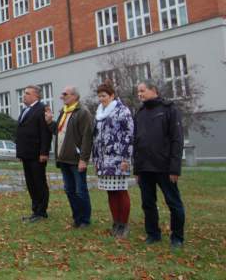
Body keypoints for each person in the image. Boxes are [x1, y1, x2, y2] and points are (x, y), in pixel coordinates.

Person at [134, 80, 185, 248]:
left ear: (153, 90)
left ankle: (177, 237)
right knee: (147, 203)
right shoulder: (140, 113)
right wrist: (137, 169)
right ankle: (153, 234)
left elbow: (177, 140)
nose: (139, 94)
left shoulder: (169, 109)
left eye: (142, 90)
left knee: (173, 203)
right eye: (138, 91)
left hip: (165, 167)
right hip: (144, 167)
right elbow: (137, 142)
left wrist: (175, 168)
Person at [45, 86, 93, 228]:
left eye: (65, 94)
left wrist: (83, 159)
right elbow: (59, 131)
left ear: (74, 96)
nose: (62, 96)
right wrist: (50, 122)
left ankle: (85, 220)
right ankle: (77, 219)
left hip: (76, 159)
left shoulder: (82, 112)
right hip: (64, 158)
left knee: (80, 190)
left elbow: (87, 137)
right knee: (69, 190)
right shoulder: (64, 111)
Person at [92, 80, 134, 238]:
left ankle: (124, 224)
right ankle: (116, 223)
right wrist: (96, 160)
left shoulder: (122, 111)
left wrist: (126, 159)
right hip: (103, 160)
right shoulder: (99, 113)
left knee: (121, 191)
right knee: (110, 192)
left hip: (118, 159)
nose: (101, 99)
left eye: (104, 96)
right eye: (99, 96)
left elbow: (129, 135)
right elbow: (96, 138)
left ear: (112, 96)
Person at [16, 85, 52, 222]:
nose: (23, 95)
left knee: (39, 182)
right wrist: (20, 152)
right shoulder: (25, 110)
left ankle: (41, 212)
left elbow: (45, 132)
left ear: (36, 95)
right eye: (24, 93)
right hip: (26, 154)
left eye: (27, 93)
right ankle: (35, 210)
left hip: (37, 154)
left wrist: (44, 152)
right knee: (30, 183)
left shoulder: (41, 109)